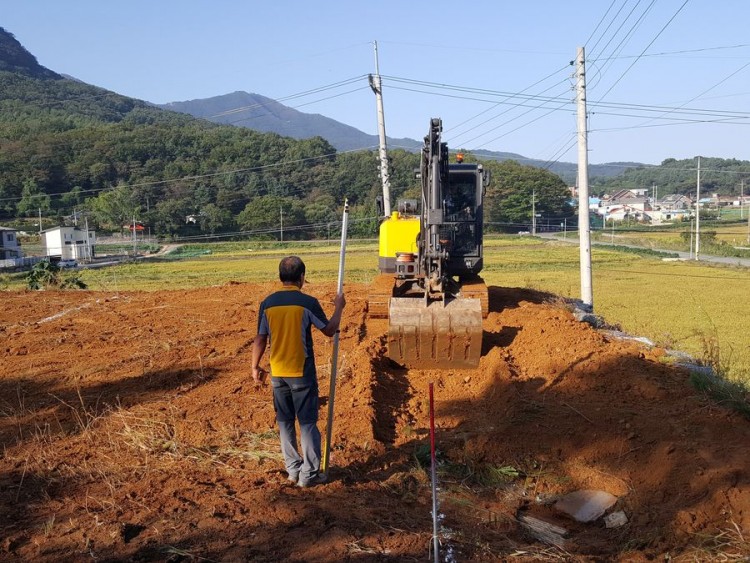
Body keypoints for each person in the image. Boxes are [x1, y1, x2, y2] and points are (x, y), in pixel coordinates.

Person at [251, 256, 345, 488]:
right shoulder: (308, 303)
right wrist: (339, 308)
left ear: (280, 277)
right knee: (307, 423)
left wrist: (255, 366)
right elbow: (329, 330)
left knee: (284, 422)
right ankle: (308, 475)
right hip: (301, 373)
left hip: (278, 373)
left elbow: (260, 338)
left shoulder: (267, 304)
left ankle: (293, 471)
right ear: (302, 277)